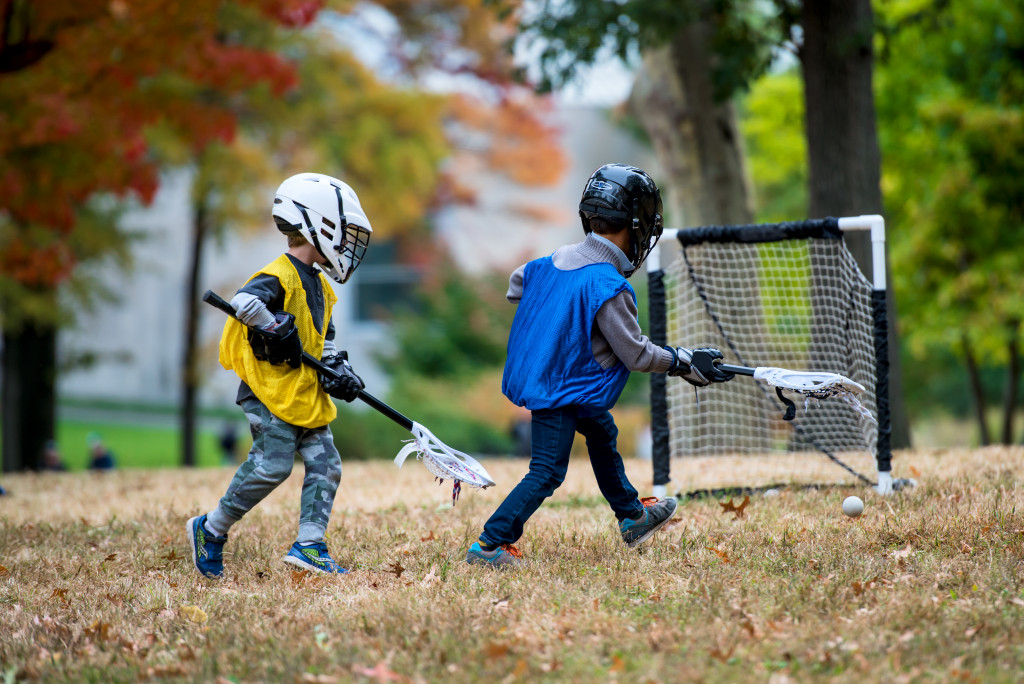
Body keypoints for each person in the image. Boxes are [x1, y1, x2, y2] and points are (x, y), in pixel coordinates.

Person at [466, 163, 734, 568]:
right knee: (546, 471)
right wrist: (682, 361)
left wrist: (556, 313)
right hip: (560, 390)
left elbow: (518, 283)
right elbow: (637, 354)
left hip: (568, 384)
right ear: (636, 226)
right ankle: (490, 544)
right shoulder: (608, 286)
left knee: (601, 431)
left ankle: (632, 517)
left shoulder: (555, 259)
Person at [187, 172, 372, 578]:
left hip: (301, 390)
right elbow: (243, 303)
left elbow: (322, 337)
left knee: (327, 464)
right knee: (273, 466)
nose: (346, 245)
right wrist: (275, 327)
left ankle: (310, 545)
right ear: (317, 225)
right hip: (268, 390)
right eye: (342, 233)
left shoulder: (321, 287)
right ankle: (210, 529)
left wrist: (338, 370)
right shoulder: (279, 273)